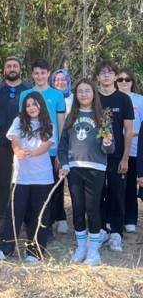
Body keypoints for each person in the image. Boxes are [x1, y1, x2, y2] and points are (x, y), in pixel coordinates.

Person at [0, 92, 55, 263]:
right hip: (21, 177)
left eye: (34, 104)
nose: (31, 108)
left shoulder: (48, 123)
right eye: (28, 105)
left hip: (42, 178)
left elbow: (47, 144)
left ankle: (35, 251)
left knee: (39, 214)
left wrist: (32, 153)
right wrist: (18, 151)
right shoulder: (18, 121)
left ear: (41, 105)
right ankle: (3, 248)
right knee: (13, 212)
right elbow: (14, 140)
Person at [58, 79, 114, 266]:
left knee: (92, 209)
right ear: (75, 95)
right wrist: (64, 164)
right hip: (74, 168)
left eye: (87, 90)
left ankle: (93, 250)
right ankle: (81, 247)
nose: (83, 94)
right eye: (80, 91)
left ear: (94, 93)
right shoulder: (71, 117)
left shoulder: (102, 117)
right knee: (78, 209)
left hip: (95, 169)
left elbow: (110, 148)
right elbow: (62, 145)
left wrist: (107, 142)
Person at [18, 59, 66, 233]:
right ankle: (30, 223)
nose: (39, 76)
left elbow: (61, 124)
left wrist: (60, 151)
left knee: (52, 188)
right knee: (31, 188)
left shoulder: (57, 95)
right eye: (36, 73)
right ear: (32, 74)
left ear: (48, 74)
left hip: (51, 149)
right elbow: (21, 122)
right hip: (30, 149)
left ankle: (49, 223)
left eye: (43, 73)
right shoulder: (25, 95)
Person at [94, 60, 134, 252]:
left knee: (117, 193)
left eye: (110, 72)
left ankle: (116, 232)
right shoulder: (93, 97)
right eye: (102, 73)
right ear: (97, 77)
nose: (106, 76)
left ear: (115, 76)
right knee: (98, 193)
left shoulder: (124, 99)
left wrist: (125, 158)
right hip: (96, 156)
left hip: (117, 156)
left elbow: (129, 131)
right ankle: (102, 229)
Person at [0, 57, 32, 224]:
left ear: (20, 69)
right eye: (8, 66)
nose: (12, 69)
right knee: (3, 179)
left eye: (15, 66)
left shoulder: (28, 90)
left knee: (24, 178)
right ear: (4, 70)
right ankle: (1, 215)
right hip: (1, 142)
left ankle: (24, 216)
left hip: (24, 141)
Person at [115, 69, 142, 233]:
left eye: (127, 79)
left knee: (131, 185)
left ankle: (131, 218)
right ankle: (117, 217)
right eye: (120, 80)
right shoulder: (113, 98)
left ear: (132, 82)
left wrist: (133, 133)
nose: (124, 82)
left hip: (135, 150)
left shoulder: (139, 100)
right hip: (116, 150)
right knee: (117, 186)